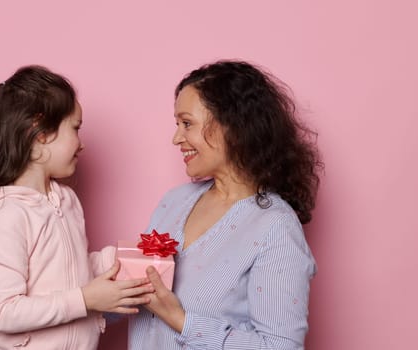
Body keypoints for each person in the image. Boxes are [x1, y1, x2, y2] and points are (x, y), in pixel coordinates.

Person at [0, 65, 153, 350]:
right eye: (75, 128)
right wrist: (85, 300)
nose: (81, 144)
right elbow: (3, 312)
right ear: (41, 133)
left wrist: (124, 257)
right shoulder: (7, 216)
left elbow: (74, 268)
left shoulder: (67, 200)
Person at [128, 60, 323, 349]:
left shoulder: (274, 227)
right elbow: (137, 295)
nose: (176, 138)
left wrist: (181, 319)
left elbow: (280, 347)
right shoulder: (175, 202)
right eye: (177, 124)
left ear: (231, 126)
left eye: (187, 123)